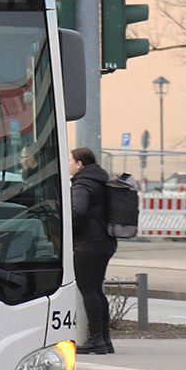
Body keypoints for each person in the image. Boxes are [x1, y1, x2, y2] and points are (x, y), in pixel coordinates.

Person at [69, 146, 116, 354]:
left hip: (89, 243)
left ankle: (96, 339)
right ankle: (104, 339)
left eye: (71, 161)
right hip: (105, 241)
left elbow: (77, 211)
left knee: (88, 290)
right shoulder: (101, 180)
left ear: (80, 164)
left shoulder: (82, 183)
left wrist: (66, 232)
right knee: (96, 290)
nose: (69, 165)